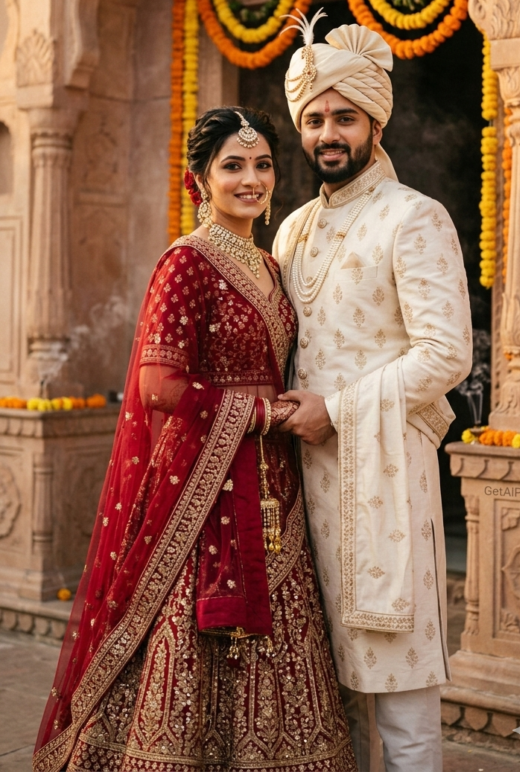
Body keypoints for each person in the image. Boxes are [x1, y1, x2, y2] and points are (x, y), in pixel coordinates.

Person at [34, 107, 357, 772]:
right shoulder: (185, 262)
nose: (251, 179)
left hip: (276, 487)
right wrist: (265, 416)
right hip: (202, 494)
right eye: (233, 166)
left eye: (262, 165)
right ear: (200, 181)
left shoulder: (271, 265)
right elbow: (160, 385)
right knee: (190, 644)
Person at [273, 16, 473, 772]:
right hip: (302, 489)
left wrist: (339, 409)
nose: (329, 131)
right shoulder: (290, 231)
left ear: (375, 121)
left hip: (385, 482)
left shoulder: (414, 217)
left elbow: (447, 352)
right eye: (315, 118)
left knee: (403, 698)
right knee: (326, 691)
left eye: (344, 117)